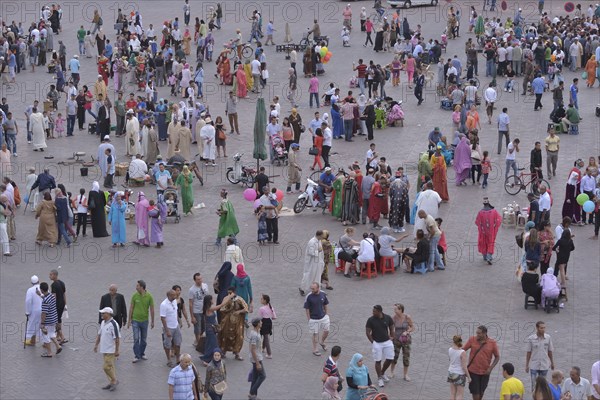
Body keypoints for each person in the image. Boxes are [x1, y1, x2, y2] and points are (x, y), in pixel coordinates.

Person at [463, 325, 500, 400]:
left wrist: (490, 368)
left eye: (479, 333)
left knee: (481, 393)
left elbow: (497, 357)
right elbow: (462, 350)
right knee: (475, 393)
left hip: (485, 373)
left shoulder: (492, 343)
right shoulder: (472, 340)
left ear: (484, 333)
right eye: (477, 333)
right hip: (473, 372)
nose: (477, 335)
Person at [365, 305, 395, 388]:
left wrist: (392, 337)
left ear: (379, 311)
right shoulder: (370, 320)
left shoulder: (387, 318)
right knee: (378, 360)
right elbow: (367, 332)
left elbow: (392, 328)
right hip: (377, 343)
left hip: (387, 342)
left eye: (374, 311)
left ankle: (382, 373)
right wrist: (372, 341)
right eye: (373, 311)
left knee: (390, 358)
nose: (373, 312)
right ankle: (379, 378)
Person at [127, 280, 155, 363]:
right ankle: (137, 355)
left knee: (143, 339)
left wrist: (152, 321)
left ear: (142, 287)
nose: (136, 287)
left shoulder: (149, 296)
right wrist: (129, 320)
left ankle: (142, 353)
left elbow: (152, 309)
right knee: (136, 338)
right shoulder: (134, 296)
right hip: (135, 320)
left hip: (144, 321)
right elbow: (131, 308)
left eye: (137, 286)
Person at [200, 294, 231, 365]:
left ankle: (208, 357)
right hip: (211, 329)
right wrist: (229, 297)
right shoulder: (210, 309)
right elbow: (221, 305)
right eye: (212, 299)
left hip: (210, 328)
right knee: (213, 344)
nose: (213, 300)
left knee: (209, 344)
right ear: (210, 300)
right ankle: (207, 359)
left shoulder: (207, 308)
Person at [218, 286, 248, 360]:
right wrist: (229, 308)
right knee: (225, 334)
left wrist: (239, 311)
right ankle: (223, 351)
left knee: (238, 335)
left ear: (235, 292)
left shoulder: (240, 299)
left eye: (230, 293)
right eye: (228, 293)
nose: (229, 294)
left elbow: (246, 308)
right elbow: (222, 309)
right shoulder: (226, 299)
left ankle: (236, 353)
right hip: (228, 321)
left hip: (238, 322)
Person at [525, 321, 555, 390]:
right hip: (534, 365)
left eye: (544, 328)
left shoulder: (548, 337)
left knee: (542, 385)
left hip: (544, 364)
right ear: (537, 328)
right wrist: (527, 365)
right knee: (534, 385)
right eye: (541, 328)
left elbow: (550, 351)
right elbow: (528, 352)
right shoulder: (531, 338)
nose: (543, 329)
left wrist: (552, 363)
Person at [304, 282, 330, 356]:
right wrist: (309, 319)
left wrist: (327, 314)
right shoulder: (309, 296)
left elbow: (325, 304)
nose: (311, 290)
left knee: (327, 331)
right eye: (311, 288)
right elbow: (307, 308)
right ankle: (315, 349)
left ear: (318, 288)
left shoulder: (323, 294)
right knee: (315, 334)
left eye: (313, 288)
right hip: (313, 318)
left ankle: (322, 342)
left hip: (323, 317)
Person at [390, 303, 414, 380]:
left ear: (401, 310)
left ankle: (405, 375)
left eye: (396, 309)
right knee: (394, 356)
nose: (394, 311)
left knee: (406, 357)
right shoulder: (394, 318)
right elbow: (390, 328)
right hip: (396, 340)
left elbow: (412, 327)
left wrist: (407, 332)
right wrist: (390, 336)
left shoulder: (407, 317)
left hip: (406, 340)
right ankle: (391, 372)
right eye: (394, 309)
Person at [160, 290, 182, 368]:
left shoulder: (174, 301)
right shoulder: (164, 305)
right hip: (168, 327)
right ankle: (169, 359)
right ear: (169, 296)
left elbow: (175, 312)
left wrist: (178, 322)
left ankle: (178, 358)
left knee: (178, 343)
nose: (175, 296)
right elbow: (162, 318)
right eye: (173, 295)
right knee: (167, 344)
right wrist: (167, 330)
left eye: (175, 295)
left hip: (176, 326)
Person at [39, 281, 61, 357]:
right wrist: (40, 295)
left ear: (41, 290)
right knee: (52, 333)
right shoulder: (51, 296)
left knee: (45, 336)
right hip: (54, 319)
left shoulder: (45, 301)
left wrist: (42, 323)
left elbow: (44, 313)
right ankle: (58, 346)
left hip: (48, 321)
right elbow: (46, 298)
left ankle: (49, 352)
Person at [300, 231, 324, 296]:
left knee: (317, 275)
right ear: (319, 235)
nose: (323, 237)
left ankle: (317, 289)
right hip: (312, 262)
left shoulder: (319, 240)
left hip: (317, 261)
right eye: (322, 236)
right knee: (309, 275)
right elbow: (310, 253)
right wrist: (318, 251)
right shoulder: (312, 242)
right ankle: (302, 288)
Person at [189, 272, 209, 347]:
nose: (200, 280)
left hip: (204, 310)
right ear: (195, 280)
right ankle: (199, 345)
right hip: (196, 311)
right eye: (198, 279)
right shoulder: (192, 290)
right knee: (198, 329)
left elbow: (208, 297)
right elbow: (190, 303)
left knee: (203, 327)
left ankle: (197, 340)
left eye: (201, 279)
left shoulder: (205, 286)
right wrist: (192, 316)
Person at [248, 318, 266, 400]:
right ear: (258, 324)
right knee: (262, 376)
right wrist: (257, 363)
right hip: (257, 359)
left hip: (256, 357)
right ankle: (252, 392)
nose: (261, 323)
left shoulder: (255, 332)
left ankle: (253, 396)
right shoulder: (255, 335)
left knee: (255, 377)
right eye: (260, 322)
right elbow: (253, 349)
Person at [448, 335, 470, 400]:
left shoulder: (450, 349)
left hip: (451, 373)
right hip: (459, 374)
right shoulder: (462, 352)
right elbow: (464, 367)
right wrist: (469, 377)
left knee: (452, 393)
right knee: (459, 395)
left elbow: (450, 360)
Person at [49, 269, 67, 344]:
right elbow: (64, 294)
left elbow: (54, 297)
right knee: (59, 320)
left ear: (55, 275)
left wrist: (51, 306)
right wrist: (65, 304)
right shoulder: (62, 283)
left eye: (51, 275)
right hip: (62, 304)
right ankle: (58, 336)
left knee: (56, 321)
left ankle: (62, 337)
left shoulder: (53, 285)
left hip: (57, 305)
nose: (49, 276)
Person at [258, 294, 276, 358]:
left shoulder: (261, 309)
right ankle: (263, 348)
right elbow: (274, 317)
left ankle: (269, 354)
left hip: (263, 322)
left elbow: (260, 318)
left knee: (264, 338)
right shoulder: (271, 307)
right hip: (269, 322)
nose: (260, 300)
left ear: (265, 300)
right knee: (266, 336)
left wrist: (258, 325)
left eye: (262, 299)